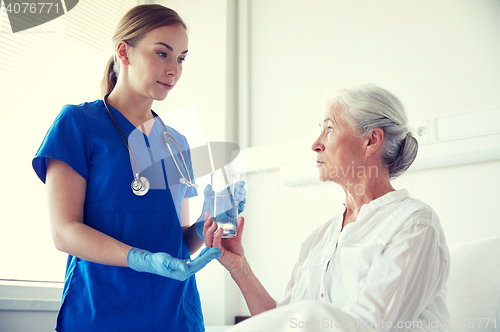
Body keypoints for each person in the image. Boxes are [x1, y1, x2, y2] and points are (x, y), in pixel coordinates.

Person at [32, 4, 245, 332]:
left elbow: (178, 243)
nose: (174, 69)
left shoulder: (177, 142)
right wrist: (141, 259)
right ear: (123, 51)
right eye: (163, 53)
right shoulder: (78, 124)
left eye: (182, 58)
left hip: (176, 313)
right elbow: (64, 232)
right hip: (103, 311)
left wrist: (210, 215)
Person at [203, 84, 450, 332]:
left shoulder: (414, 223)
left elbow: (369, 327)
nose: (315, 144)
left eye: (329, 129)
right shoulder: (319, 239)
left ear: (371, 140)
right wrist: (239, 267)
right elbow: (282, 322)